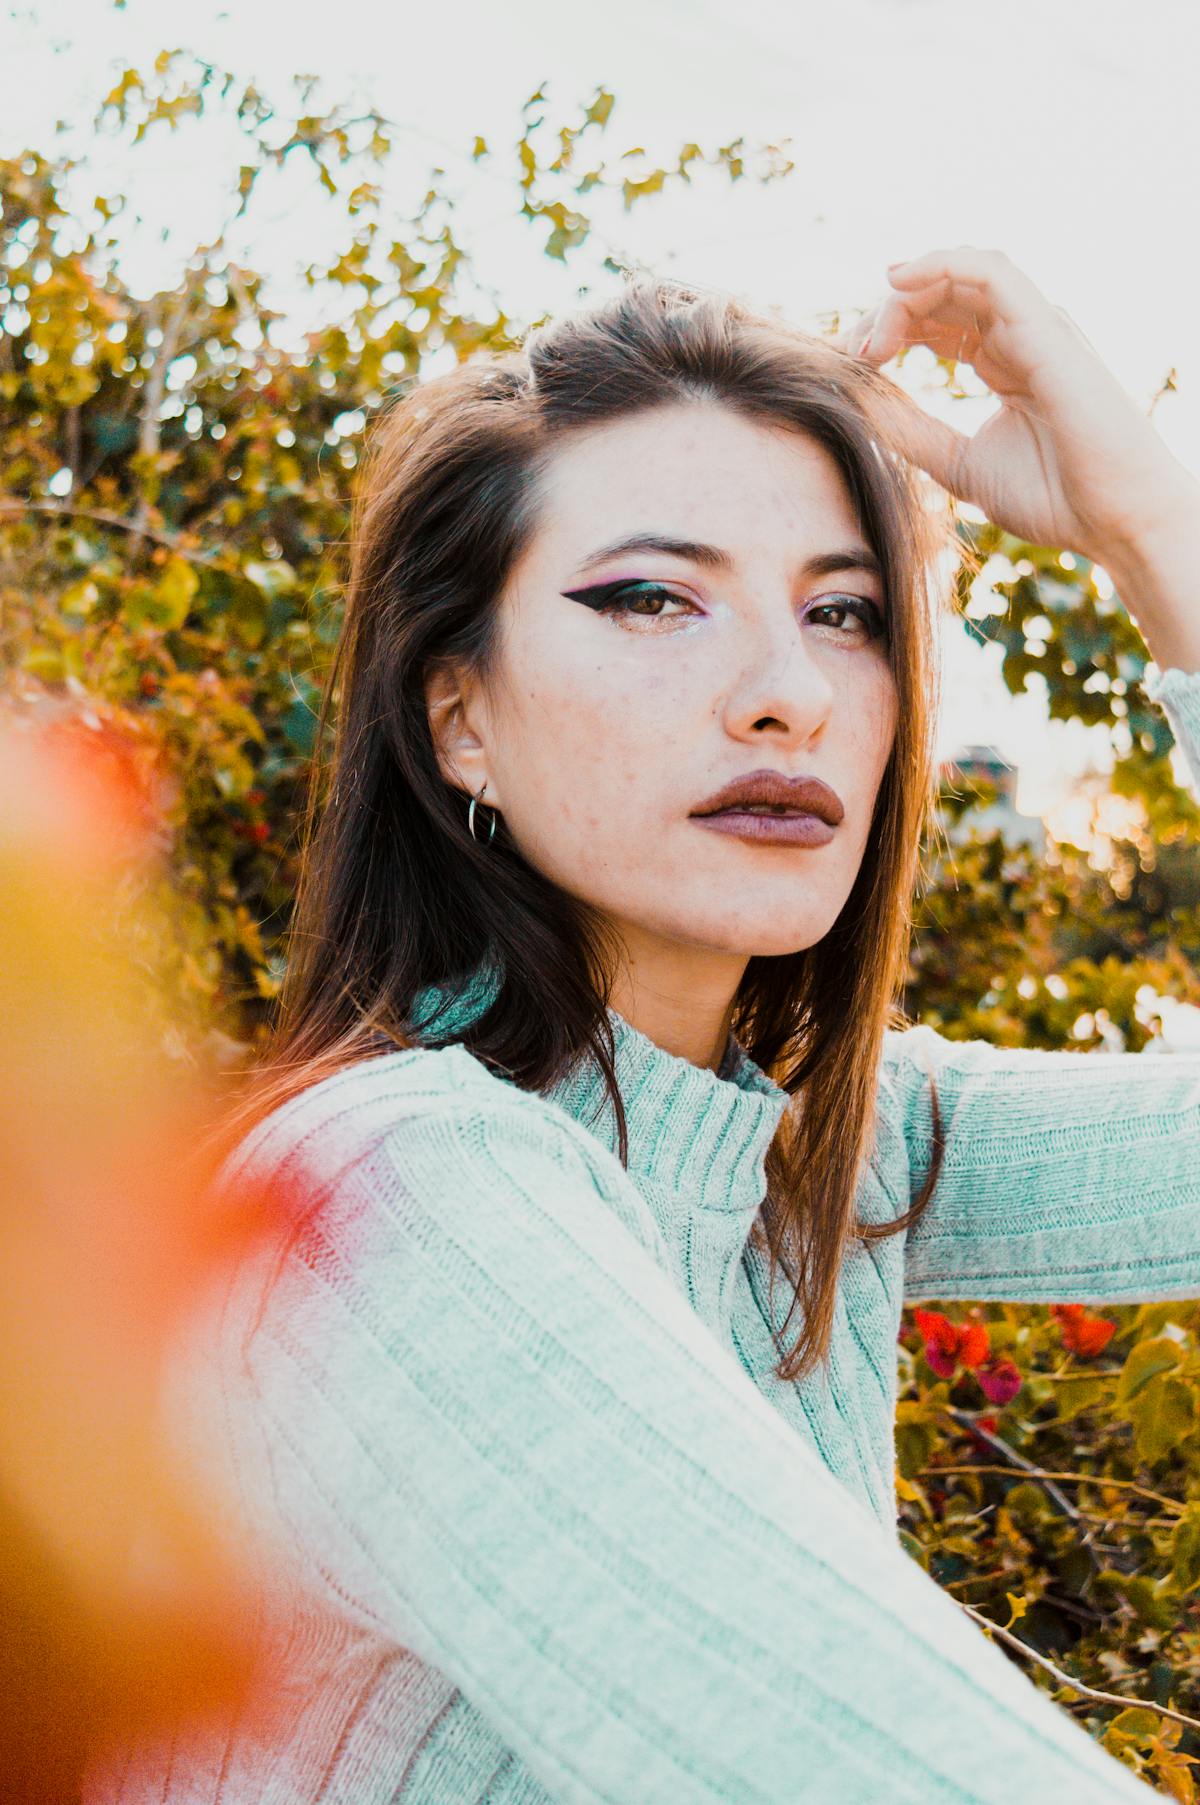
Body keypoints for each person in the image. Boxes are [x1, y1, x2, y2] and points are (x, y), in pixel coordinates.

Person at [86, 247, 1200, 1804]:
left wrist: (1157, 538)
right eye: (652, 596)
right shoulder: (394, 1200)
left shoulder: (817, 1148)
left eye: (846, 612)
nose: (784, 692)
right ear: (457, 712)